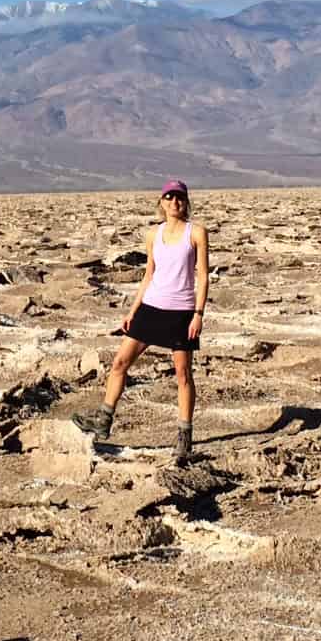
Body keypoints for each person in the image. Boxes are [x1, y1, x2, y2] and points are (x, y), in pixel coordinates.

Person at [72, 179, 209, 461]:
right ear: (161, 202)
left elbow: (203, 275)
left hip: (182, 311)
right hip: (150, 307)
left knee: (183, 374)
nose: (174, 202)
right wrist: (132, 311)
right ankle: (103, 420)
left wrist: (198, 314)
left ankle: (185, 435)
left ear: (186, 201)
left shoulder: (196, 233)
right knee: (120, 363)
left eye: (179, 197)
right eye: (169, 197)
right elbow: (149, 274)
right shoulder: (152, 235)